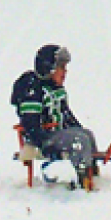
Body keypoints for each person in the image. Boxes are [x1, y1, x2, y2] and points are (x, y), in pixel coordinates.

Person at [11, 44, 98, 187]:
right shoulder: (33, 90)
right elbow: (30, 124)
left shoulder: (55, 89)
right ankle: (82, 178)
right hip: (43, 138)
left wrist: (78, 129)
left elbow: (66, 116)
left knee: (86, 135)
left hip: (56, 133)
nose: (65, 72)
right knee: (79, 141)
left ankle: (91, 169)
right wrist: (46, 146)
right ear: (48, 69)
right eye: (61, 68)